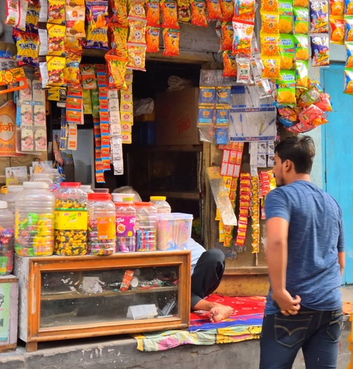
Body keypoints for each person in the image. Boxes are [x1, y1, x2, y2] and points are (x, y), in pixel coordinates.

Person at [260, 136, 345, 369]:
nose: (274, 169)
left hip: (291, 309)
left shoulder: (280, 196)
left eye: (276, 162)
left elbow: (277, 240)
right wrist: (325, 291)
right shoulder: (331, 202)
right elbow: (340, 261)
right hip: (330, 307)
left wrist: (279, 291)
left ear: (287, 165)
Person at [112, 186, 232, 323]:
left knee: (215, 256)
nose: (123, 217)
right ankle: (210, 306)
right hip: (161, 285)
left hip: (191, 279)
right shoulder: (116, 235)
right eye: (118, 212)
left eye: (127, 210)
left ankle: (193, 303)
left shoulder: (156, 226)